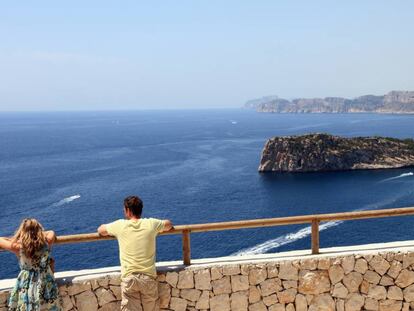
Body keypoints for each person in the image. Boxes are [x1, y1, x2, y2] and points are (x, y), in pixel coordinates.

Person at [98, 195, 173, 311]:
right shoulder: (151, 224)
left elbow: (101, 230)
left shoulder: (120, 225)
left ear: (128, 210)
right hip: (148, 278)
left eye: (124, 209)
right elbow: (168, 224)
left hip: (130, 278)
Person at [0, 218, 61, 311]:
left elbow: (0, 239)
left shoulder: (18, 247)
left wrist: (17, 238)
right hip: (46, 281)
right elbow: (51, 232)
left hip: (27, 283)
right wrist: (39, 235)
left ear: (22, 231)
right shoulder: (46, 242)